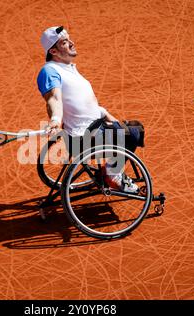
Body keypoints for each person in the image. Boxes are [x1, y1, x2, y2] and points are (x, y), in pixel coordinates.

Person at [37, 26, 142, 193]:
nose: (71, 43)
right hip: (85, 137)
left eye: (69, 39)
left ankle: (108, 173)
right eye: (65, 42)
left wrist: (106, 114)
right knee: (135, 133)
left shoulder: (69, 70)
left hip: (93, 128)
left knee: (130, 127)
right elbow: (53, 98)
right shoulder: (50, 70)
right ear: (54, 51)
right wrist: (56, 120)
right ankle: (112, 175)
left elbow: (83, 104)